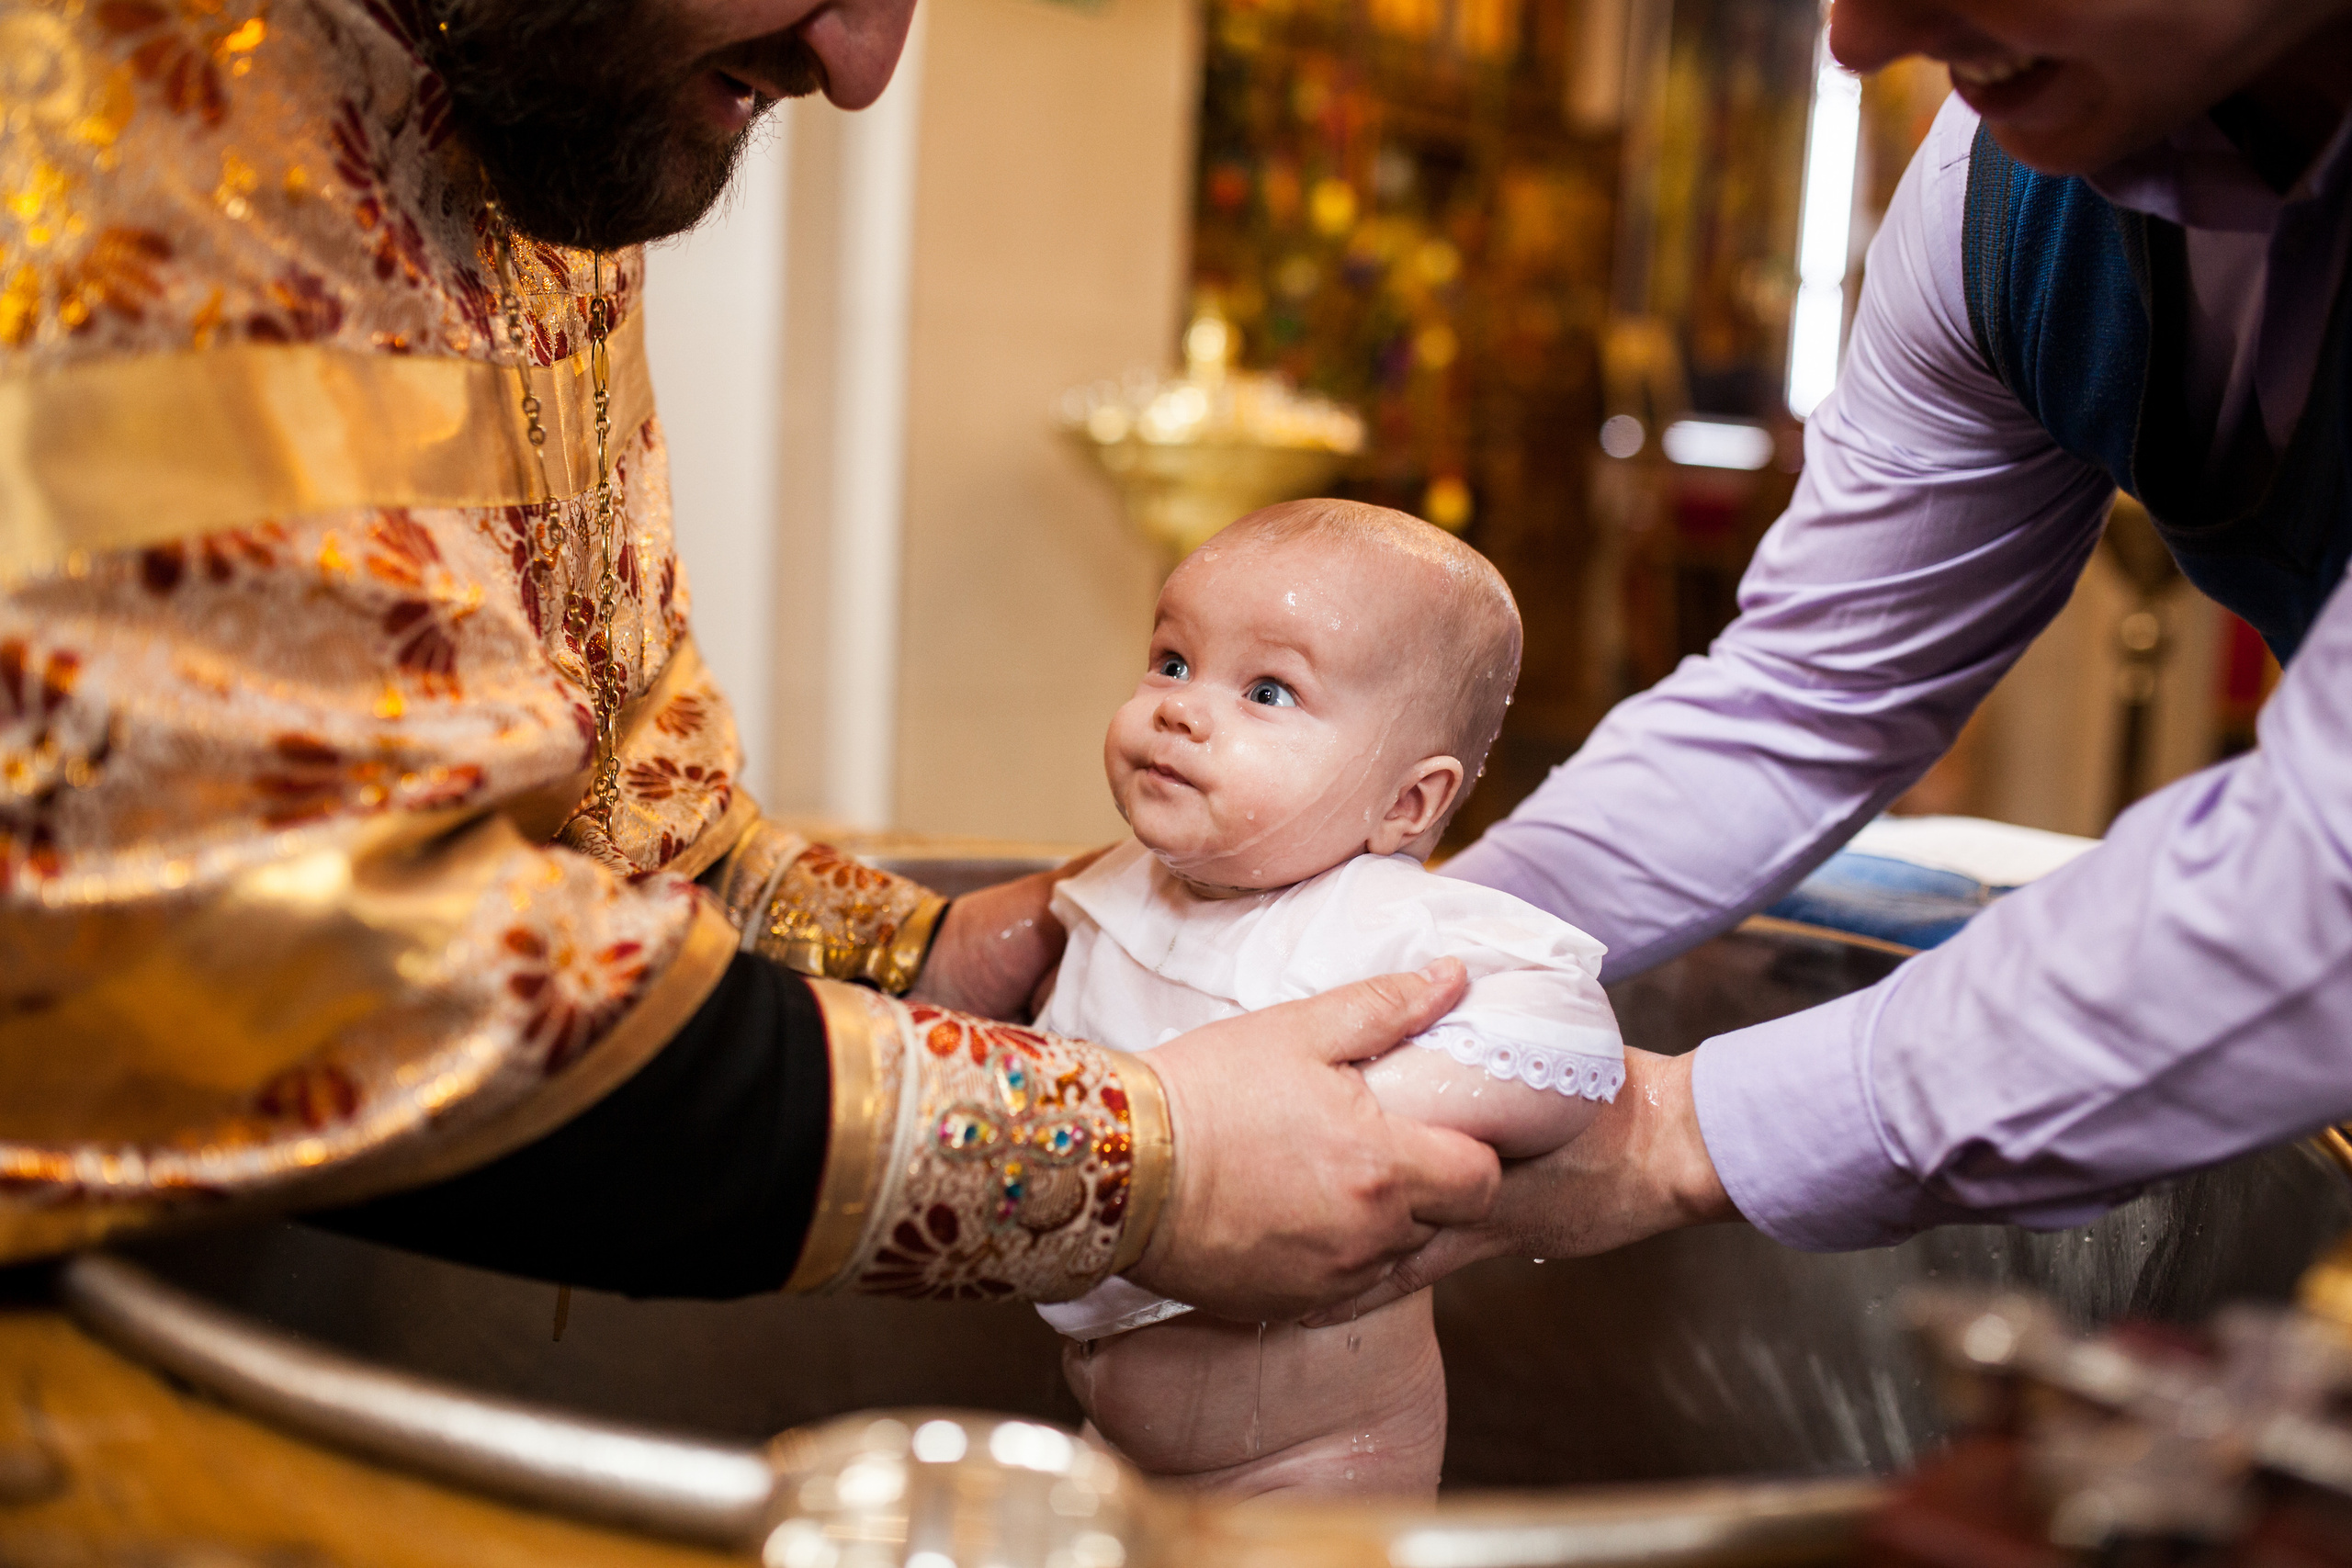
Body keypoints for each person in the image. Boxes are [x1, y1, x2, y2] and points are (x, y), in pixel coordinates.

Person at [0, 0, 1498, 1318]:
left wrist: (923, 951)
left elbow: (613, 788)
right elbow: (313, 969)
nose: (862, 65)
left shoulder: (518, 103)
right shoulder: (98, 118)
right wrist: (1139, 1158)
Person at [1316, 0, 2352, 1317]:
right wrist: (1376, 965)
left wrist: (1670, 1131)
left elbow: (2326, 867)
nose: (1860, 40)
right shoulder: (1993, 196)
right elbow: (1805, 696)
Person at [1035, 502, 1623, 1497]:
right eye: (1172, 661)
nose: (1181, 710)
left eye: (1267, 691)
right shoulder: (1125, 888)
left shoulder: (1375, 919)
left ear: (1406, 803)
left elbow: (1566, 1037)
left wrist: (1355, 1114)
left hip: (1309, 1470)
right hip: (1116, 1443)